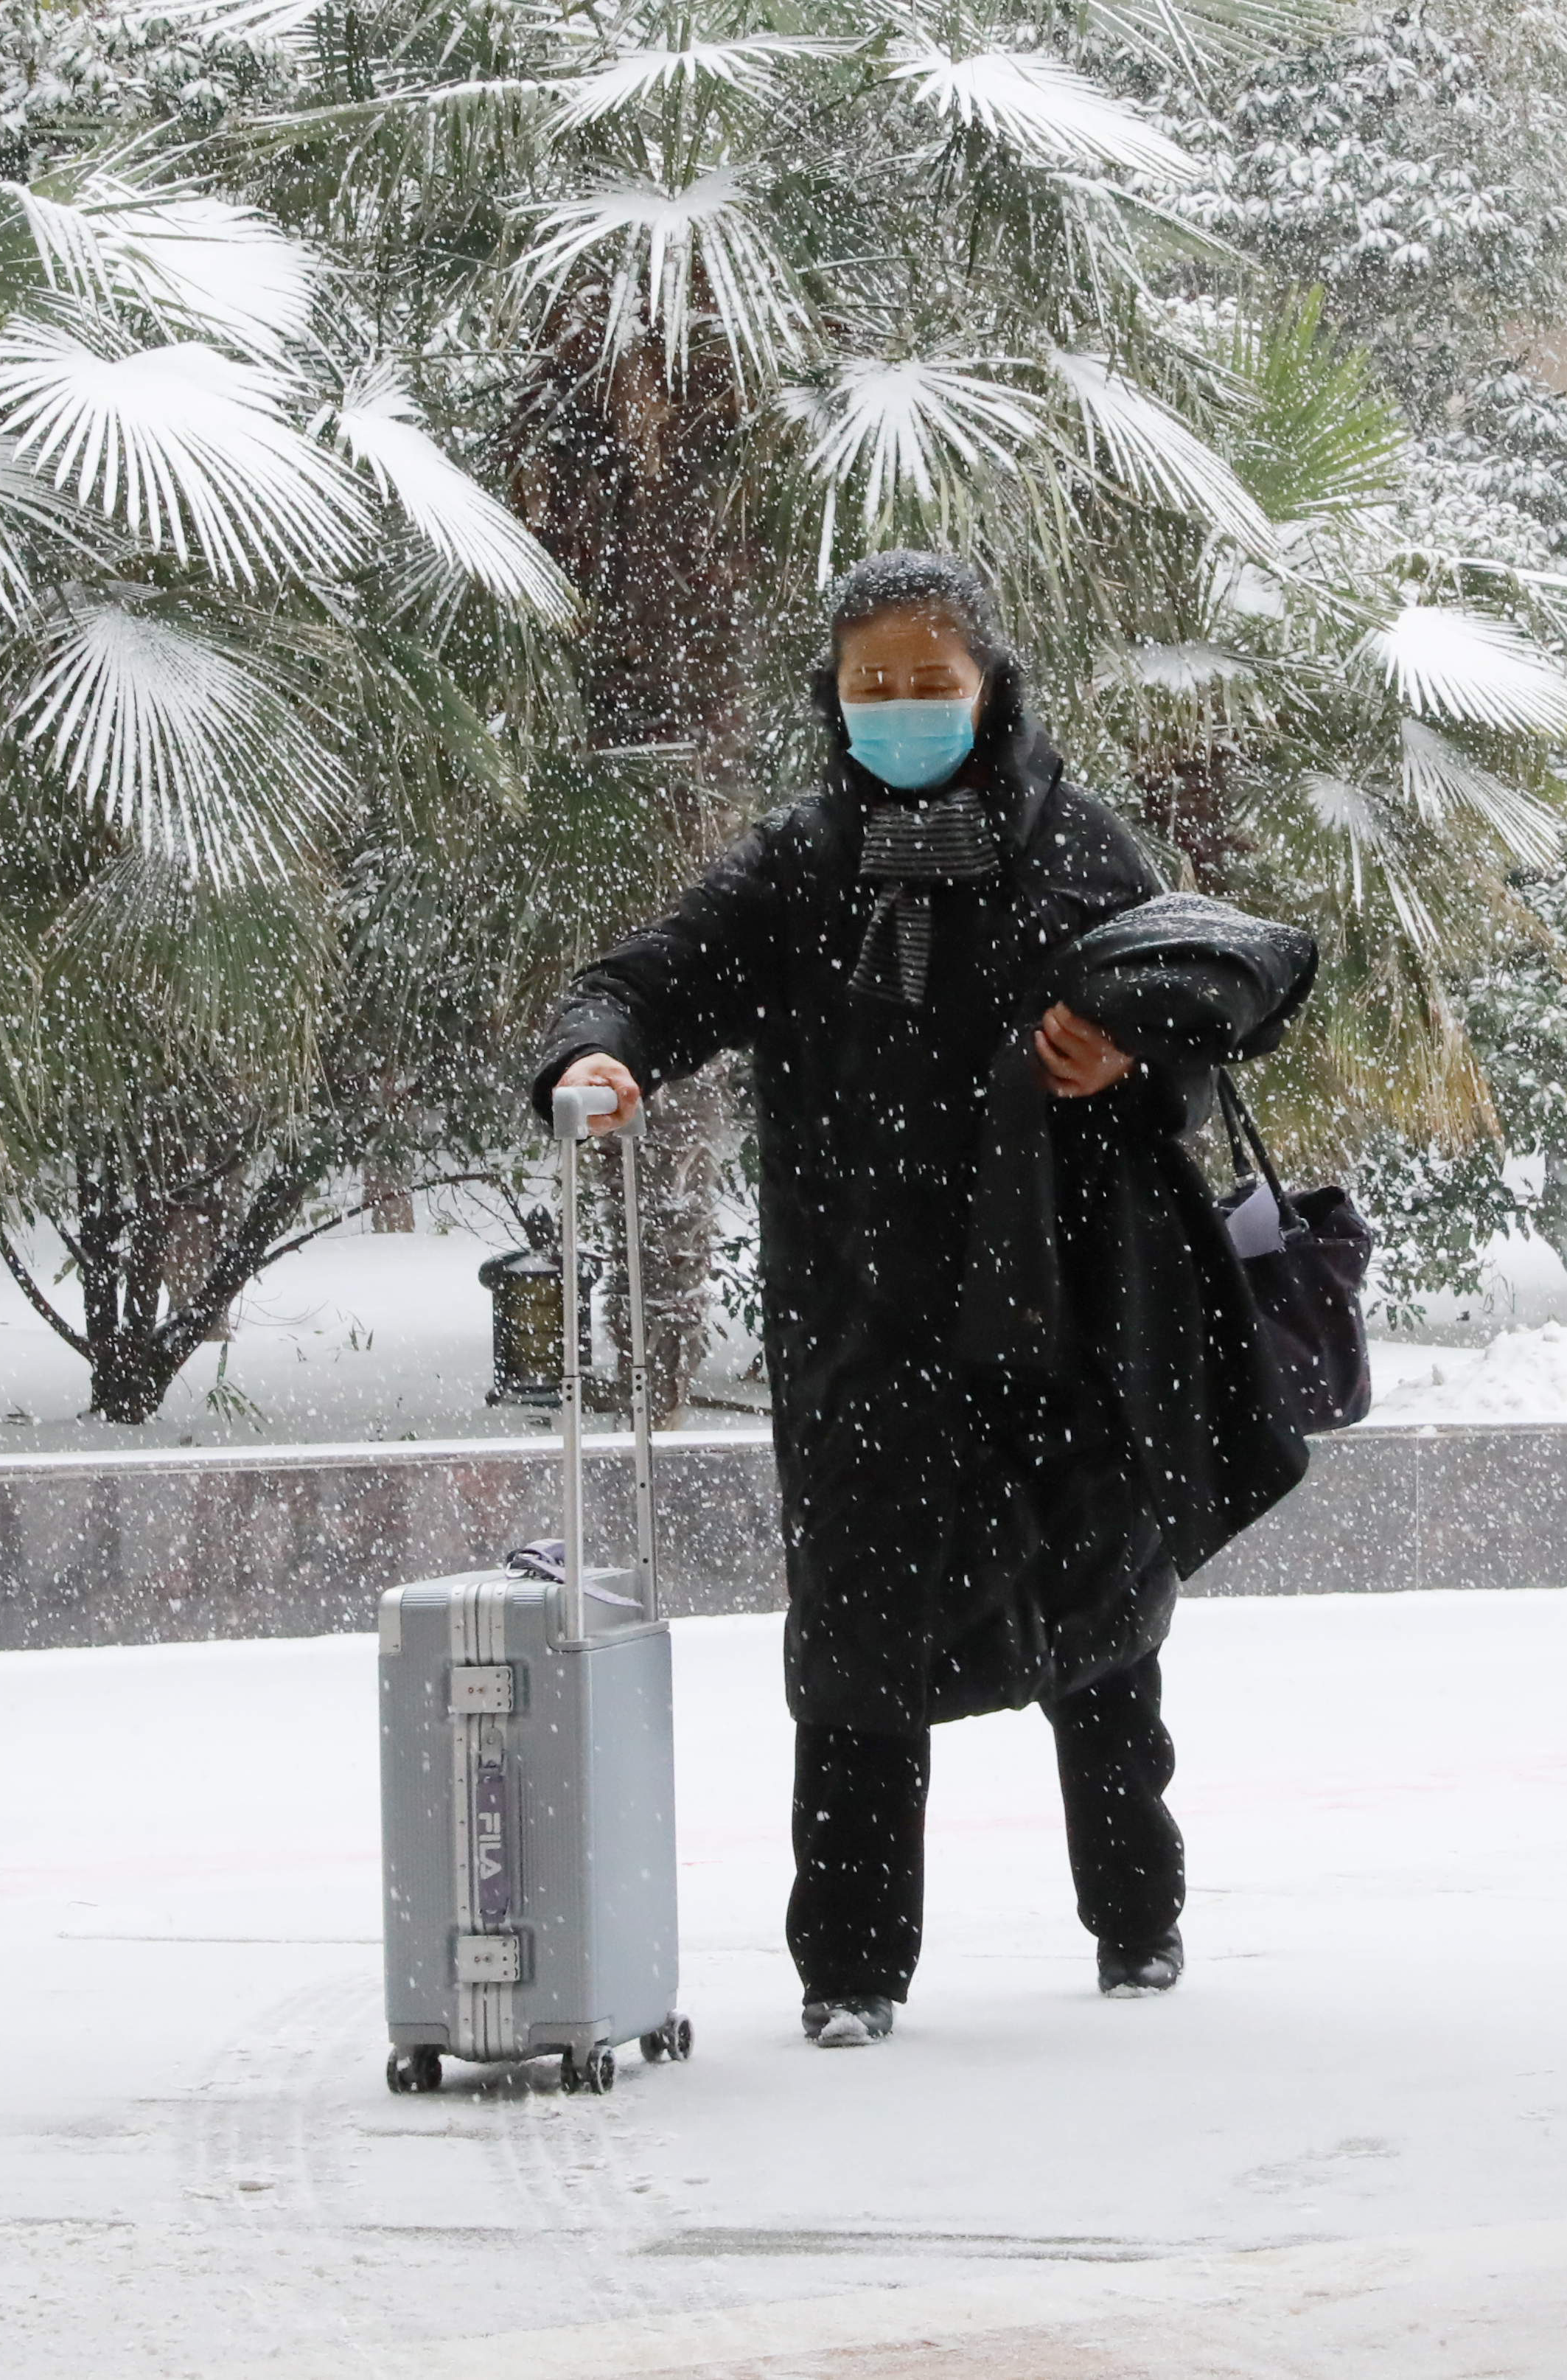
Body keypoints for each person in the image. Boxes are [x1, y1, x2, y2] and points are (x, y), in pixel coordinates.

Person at [532, 551, 1311, 2048]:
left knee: (1104, 1627)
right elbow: (657, 976)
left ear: (987, 684)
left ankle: (1138, 1925)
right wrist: (600, 1055)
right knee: (856, 1650)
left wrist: (1141, 1058)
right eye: (868, 684)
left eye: (926, 682)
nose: (897, 709)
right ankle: (850, 1972)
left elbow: (1202, 1001)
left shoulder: (1081, 847)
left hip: (1063, 1309)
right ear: (831, 697)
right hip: (864, 1316)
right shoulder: (802, 865)